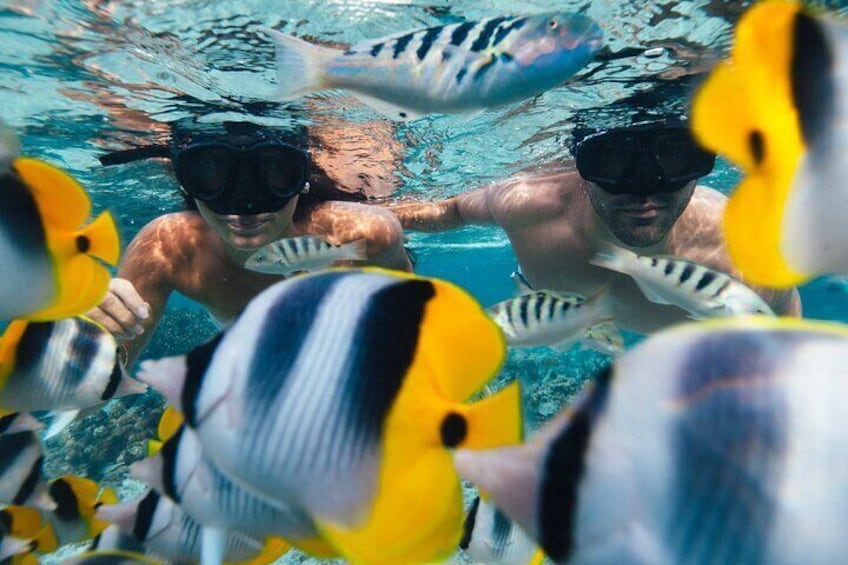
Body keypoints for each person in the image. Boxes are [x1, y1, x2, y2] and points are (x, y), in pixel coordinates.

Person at [387, 116, 801, 335]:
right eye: (614, 161)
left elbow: (786, 328)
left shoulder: (742, 257)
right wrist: (377, 220)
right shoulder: (530, 204)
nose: (645, 190)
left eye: (675, 159)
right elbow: (450, 211)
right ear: (583, 167)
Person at [87, 119, 411, 368]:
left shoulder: (363, 232)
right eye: (210, 174)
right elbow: (88, 396)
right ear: (186, 180)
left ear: (302, 177)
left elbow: (409, 330)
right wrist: (87, 340)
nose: (245, 205)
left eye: (276, 172)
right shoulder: (166, 248)